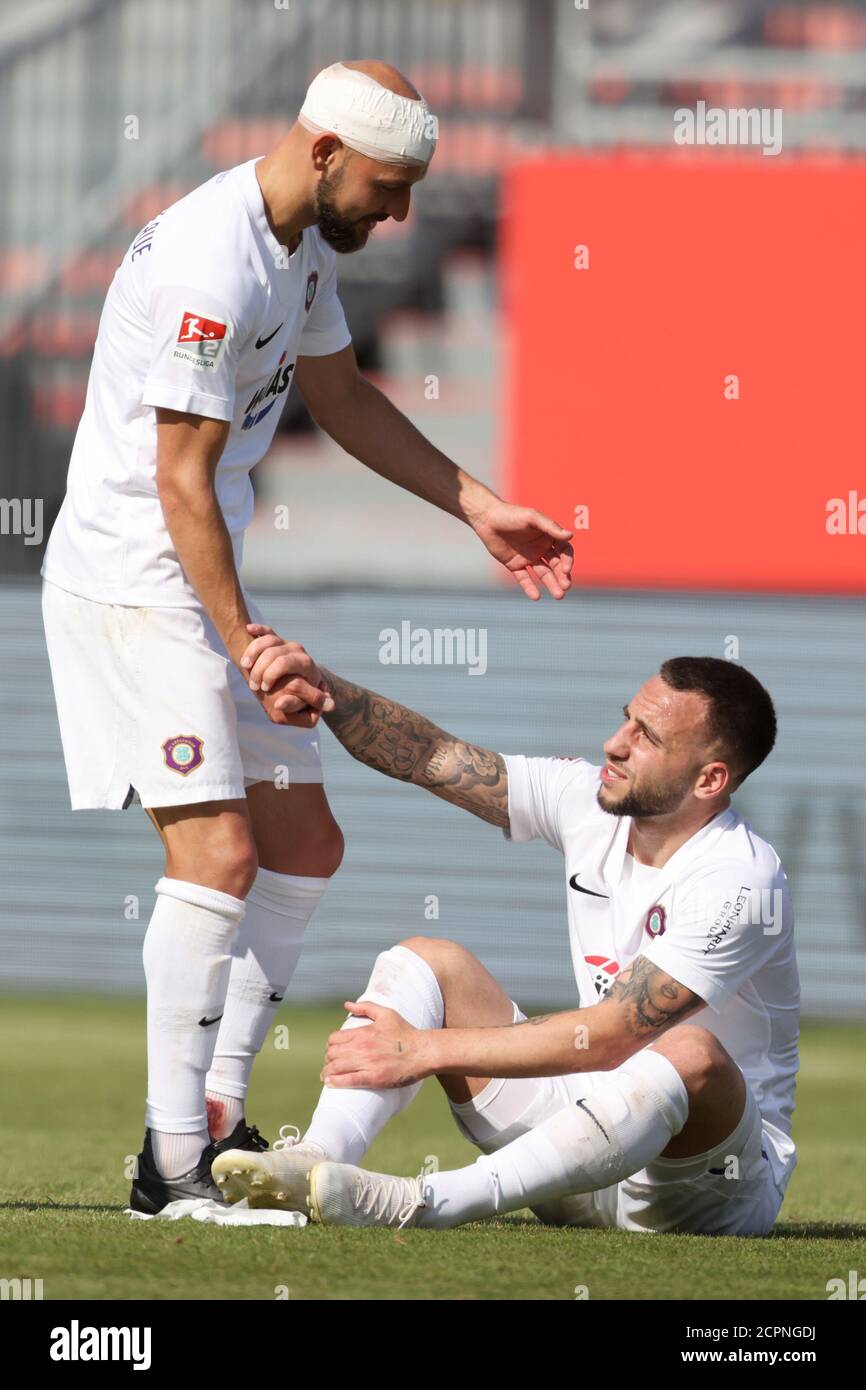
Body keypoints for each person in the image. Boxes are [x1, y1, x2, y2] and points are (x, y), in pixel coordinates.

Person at [39, 59, 573, 1214]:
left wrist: (476, 502)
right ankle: (172, 1165)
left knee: (304, 845)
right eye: (387, 187)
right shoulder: (210, 261)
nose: (398, 215)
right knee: (220, 857)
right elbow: (179, 479)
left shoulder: (299, 246)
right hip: (136, 587)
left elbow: (339, 401)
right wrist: (244, 644)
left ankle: (223, 1115)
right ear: (323, 151)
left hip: (196, 584)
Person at [213, 645, 799, 1235]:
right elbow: (431, 755)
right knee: (425, 961)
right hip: (574, 1149)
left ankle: (425, 1202)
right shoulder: (588, 798)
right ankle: (314, 1161)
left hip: (702, 1187)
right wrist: (323, 689)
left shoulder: (741, 878)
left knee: (690, 1052)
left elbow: (614, 1036)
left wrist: (420, 1050)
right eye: (626, 717)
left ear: (711, 778)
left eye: (647, 736)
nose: (615, 744)